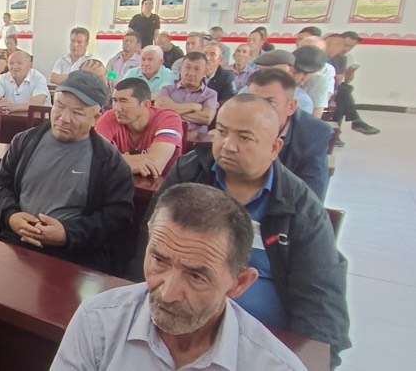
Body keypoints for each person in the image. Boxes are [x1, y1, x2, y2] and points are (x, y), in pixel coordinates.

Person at [139, 95, 351, 361]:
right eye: (222, 132)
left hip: (260, 345)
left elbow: (322, 301)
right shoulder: (191, 173)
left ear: (274, 147)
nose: (228, 145)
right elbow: (150, 247)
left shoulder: (299, 206)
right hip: (178, 323)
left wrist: (311, 361)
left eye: (245, 137)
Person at [51, 183, 307, 371]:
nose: (167, 293)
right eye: (159, 260)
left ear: (239, 283)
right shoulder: (98, 323)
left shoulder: (274, 366)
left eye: (196, 276)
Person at [0, 71, 133, 274]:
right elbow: (1, 185)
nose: (64, 118)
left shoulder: (109, 162)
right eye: (59, 106)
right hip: (17, 241)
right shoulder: (25, 142)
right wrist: (11, 216)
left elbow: (117, 218)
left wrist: (67, 233)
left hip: (74, 255)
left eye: (77, 113)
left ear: (96, 118)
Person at [246, 67, 334, 200]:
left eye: (270, 102)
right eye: (253, 101)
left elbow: (312, 197)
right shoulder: (237, 122)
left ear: (291, 106)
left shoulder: (314, 134)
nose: (259, 110)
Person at [95, 76, 183, 177]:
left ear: (145, 105)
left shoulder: (168, 118)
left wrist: (110, 161)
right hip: (121, 181)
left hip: (162, 184)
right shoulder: (110, 116)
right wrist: (129, 165)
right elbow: (92, 156)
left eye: (124, 101)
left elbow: (156, 164)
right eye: (114, 100)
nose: (117, 108)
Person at [155, 52, 220, 143]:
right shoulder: (167, 90)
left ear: (204, 72)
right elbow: (159, 109)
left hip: (196, 142)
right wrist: (194, 107)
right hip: (167, 138)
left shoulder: (210, 94)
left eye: (197, 69)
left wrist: (170, 111)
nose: (191, 73)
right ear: (181, 69)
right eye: (187, 68)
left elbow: (207, 118)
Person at [293, 42, 335, 113]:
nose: (302, 77)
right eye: (296, 71)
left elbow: (317, 112)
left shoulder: (320, 79)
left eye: (306, 73)